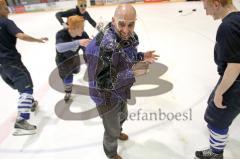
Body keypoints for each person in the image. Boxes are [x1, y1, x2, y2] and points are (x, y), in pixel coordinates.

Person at [86, 4, 158, 159]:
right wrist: (131, 72)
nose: (126, 29)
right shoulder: (105, 46)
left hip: (120, 89)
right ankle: (111, 153)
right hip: (104, 95)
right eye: (122, 24)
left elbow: (125, 57)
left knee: (123, 115)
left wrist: (140, 56)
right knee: (111, 128)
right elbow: (103, 82)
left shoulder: (129, 36)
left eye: (131, 24)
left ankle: (117, 129)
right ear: (113, 21)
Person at [195, 0, 240, 158]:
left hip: (235, 82)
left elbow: (235, 66)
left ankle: (216, 154)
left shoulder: (227, 27)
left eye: (206, 8)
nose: (207, 13)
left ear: (216, 4)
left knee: (216, 119)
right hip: (234, 80)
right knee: (213, 109)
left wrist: (220, 92)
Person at [0, 1, 48, 135]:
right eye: (5, 7)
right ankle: (21, 120)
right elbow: (21, 36)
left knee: (21, 85)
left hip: (2, 67)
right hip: (12, 62)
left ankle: (30, 103)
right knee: (26, 87)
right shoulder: (6, 22)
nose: (8, 9)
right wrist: (38, 40)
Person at [55, 15, 91, 101]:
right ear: (74, 28)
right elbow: (59, 48)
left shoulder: (83, 34)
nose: (83, 29)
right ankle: (68, 90)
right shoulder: (61, 33)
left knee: (76, 71)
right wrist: (78, 42)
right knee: (68, 77)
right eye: (81, 27)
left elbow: (86, 50)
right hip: (63, 61)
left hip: (74, 58)